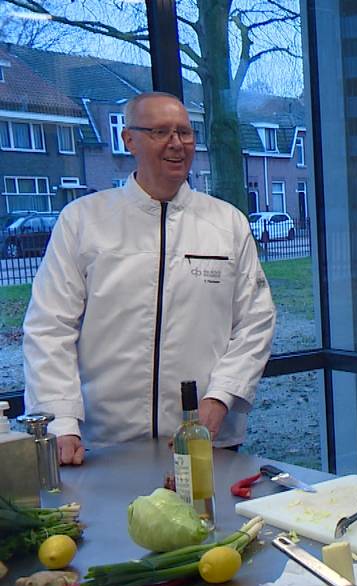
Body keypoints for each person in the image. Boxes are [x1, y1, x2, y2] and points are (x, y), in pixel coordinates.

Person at [23, 91, 275, 464]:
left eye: (185, 133)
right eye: (160, 132)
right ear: (128, 140)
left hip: (203, 438)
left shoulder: (227, 223)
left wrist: (222, 395)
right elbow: (49, 326)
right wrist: (62, 419)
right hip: (105, 442)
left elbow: (256, 320)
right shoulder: (83, 221)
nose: (177, 144)